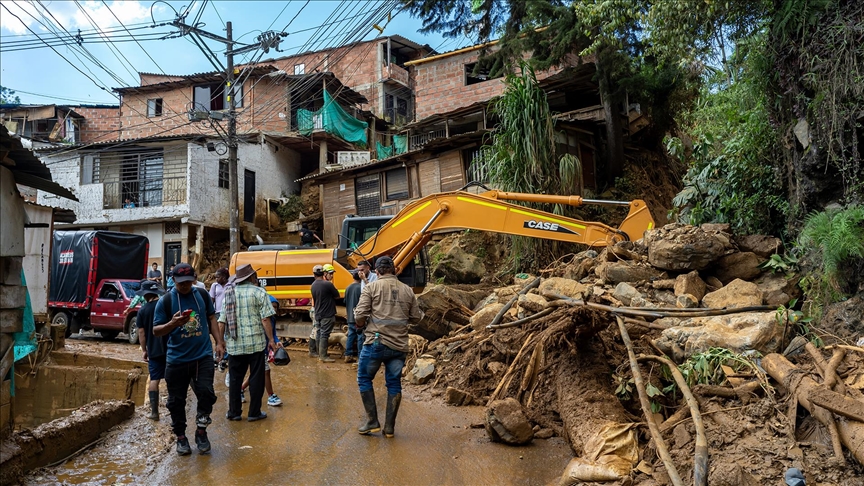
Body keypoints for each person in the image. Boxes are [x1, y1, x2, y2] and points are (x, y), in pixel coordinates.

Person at [153, 263, 226, 456]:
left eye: (188, 281)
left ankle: (201, 431)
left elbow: (211, 318)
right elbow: (156, 330)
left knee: (207, 393)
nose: (185, 285)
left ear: (194, 279)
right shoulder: (166, 301)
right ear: (173, 280)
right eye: (180, 282)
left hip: (202, 356)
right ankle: (181, 437)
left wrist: (219, 342)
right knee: (176, 401)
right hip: (176, 359)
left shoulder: (201, 295)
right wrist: (172, 323)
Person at [354, 256, 423, 438]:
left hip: (376, 343)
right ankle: (390, 428)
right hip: (399, 345)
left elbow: (359, 315)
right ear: (393, 270)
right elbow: (416, 317)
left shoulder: (371, 287)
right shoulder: (407, 290)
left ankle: (372, 421)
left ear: (376, 271)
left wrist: (361, 324)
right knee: (394, 383)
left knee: (364, 378)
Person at [218, 264, 280, 422]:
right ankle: (254, 412)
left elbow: (222, 321)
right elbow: (265, 319)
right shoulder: (259, 292)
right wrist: (271, 340)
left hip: (235, 345)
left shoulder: (229, 294)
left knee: (235, 379)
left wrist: (220, 342)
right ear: (251, 277)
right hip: (256, 344)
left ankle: (234, 412)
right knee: (256, 379)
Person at [241, 294, 282, 407]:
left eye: (276, 307)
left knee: (257, 372)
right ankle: (271, 395)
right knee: (266, 372)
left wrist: (277, 341)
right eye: (272, 306)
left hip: (265, 349)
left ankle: (241, 388)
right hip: (258, 349)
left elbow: (273, 334)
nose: (274, 309)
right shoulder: (261, 319)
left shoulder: (272, 319)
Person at [135, 280, 166, 420]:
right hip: (170, 348)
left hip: (154, 350)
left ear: (145, 294)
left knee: (154, 380)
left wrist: (144, 350)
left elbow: (141, 333)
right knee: (174, 378)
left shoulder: (142, 311)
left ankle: (154, 413)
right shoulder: (165, 305)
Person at [310, 263, 339, 363]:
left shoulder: (313, 285)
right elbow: (337, 296)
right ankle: (323, 356)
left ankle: (319, 354)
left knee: (319, 333)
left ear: (314, 274)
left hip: (318, 313)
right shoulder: (328, 284)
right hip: (327, 313)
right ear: (323, 273)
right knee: (324, 334)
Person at [343, 271, 362, 364]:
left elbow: (345, 301)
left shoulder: (348, 287)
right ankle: (360, 357)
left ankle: (348, 355)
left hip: (350, 316)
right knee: (360, 337)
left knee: (351, 336)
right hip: (358, 317)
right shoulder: (361, 288)